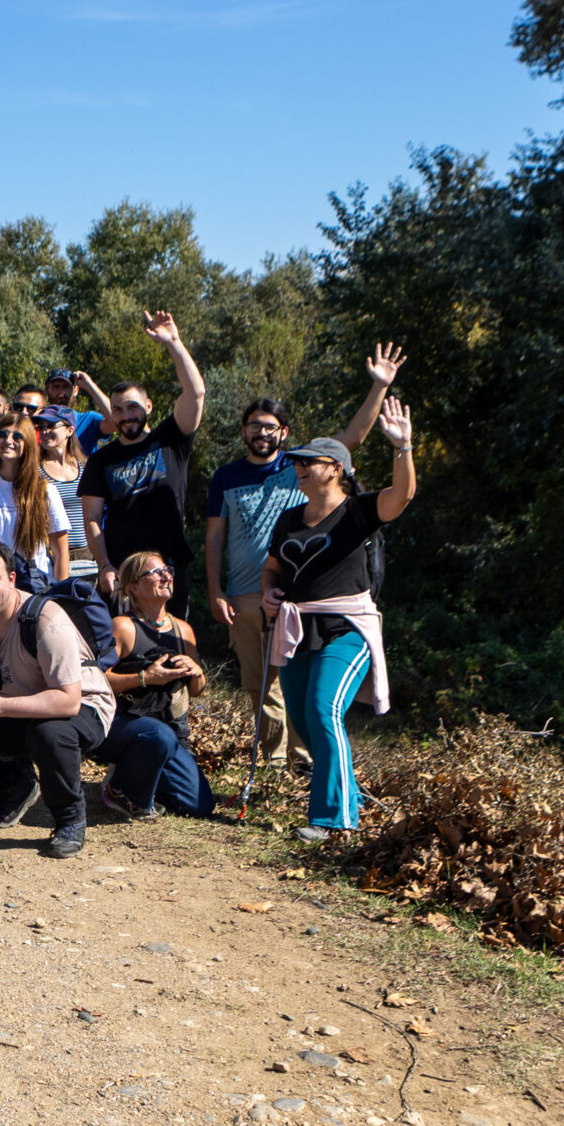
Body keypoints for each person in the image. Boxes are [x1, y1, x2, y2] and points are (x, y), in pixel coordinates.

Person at [204, 344, 405, 768]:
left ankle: (303, 761)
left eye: (271, 426)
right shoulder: (226, 475)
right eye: (254, 426)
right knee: (260, 686)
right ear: (243, 431)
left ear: (284, 431)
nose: (262, 433)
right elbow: (214, 538)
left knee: (302, 681)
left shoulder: (297, 469)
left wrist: (378, 387)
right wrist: (214, 589)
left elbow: (351, 442)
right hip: (245, 594)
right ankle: (273, 763)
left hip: (301, 599)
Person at [263, 400, 417, 841]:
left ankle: (332, 821)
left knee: (323, 708)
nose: (299, 468)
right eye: (297, 463)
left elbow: (402, 496)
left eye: (309, 462)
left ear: (336, 469)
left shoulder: (359, 510)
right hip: (297, 629)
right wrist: (272, 591)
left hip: (346, 630)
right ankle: (348, 798)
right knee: (305, 720)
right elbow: (272, 568)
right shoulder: (290, 517)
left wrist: (402, 448)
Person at [0, 538, 118, 859]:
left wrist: (3, 707)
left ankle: (69, 818)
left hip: (84, 705)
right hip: (15, 705)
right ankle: (16, 786)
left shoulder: (45, 620)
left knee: (48, 733)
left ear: (11, 579)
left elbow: (68, 701)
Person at [78, 312, 208, 600]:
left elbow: (196, 392)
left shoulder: (171, 439)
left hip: (169, 569)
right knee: (123, 644)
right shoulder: (102, 459)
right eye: (118, 410)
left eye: (133, 407)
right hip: (123, 574)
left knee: (174, 643)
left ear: (148, 406)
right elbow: (92, 519)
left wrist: (173, 342)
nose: (127, 416)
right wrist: (105, 565)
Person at [97, 551, 216, 819]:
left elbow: (197, 690)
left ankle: (145, 777)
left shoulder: (183, 630)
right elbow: (96, 681)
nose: (166, 576)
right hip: (122, 725)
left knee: (200, 807)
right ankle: (119, 788)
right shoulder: (123, 627)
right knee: (156, 735)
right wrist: (144, 678)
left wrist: (196, 672)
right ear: (133, 588)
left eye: (167, 570)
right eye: (155, 572)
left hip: (171, 732)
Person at [0, 416, 72, 589]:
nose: (8, 441)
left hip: (37, 589)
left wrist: (61, 598)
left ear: (28, 444)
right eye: (2, 434)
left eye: (17, 437)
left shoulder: (45, 490)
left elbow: (61, 551)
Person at [37, 410, 95, 584]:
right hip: (53, 554)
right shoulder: (35, 471)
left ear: (70, 430)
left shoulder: (85, 466)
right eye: (42, 427)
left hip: (87, 554)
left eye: (51, 425)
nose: (45, 431)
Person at [40, 369, 113, 453]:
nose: (61, 392)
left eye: (66, 386)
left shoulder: (88, 420)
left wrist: (89, 385)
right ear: (46, 391)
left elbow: (115, 421)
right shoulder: (41, 423)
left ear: (75, 390)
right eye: (56, 387)